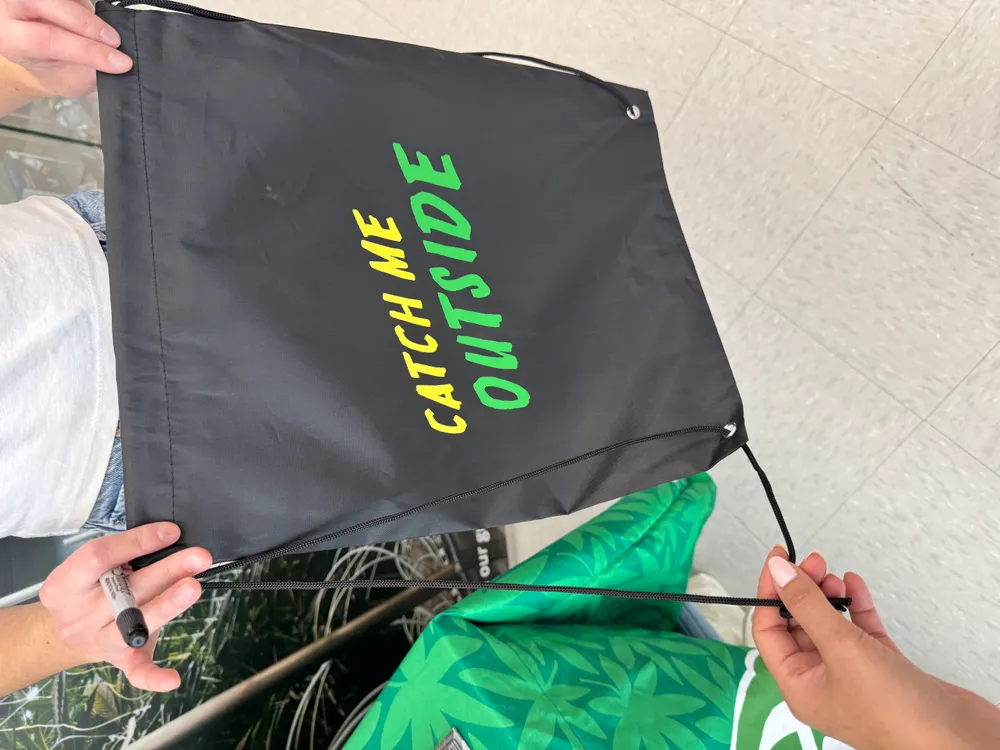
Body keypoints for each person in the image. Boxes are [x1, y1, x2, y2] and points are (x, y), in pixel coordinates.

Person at [0, 0, 210, 696]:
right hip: (138, 467)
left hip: (114, 252)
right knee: (477, 411)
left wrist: (15, 71)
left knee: (446, 222)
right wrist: (58, 634)